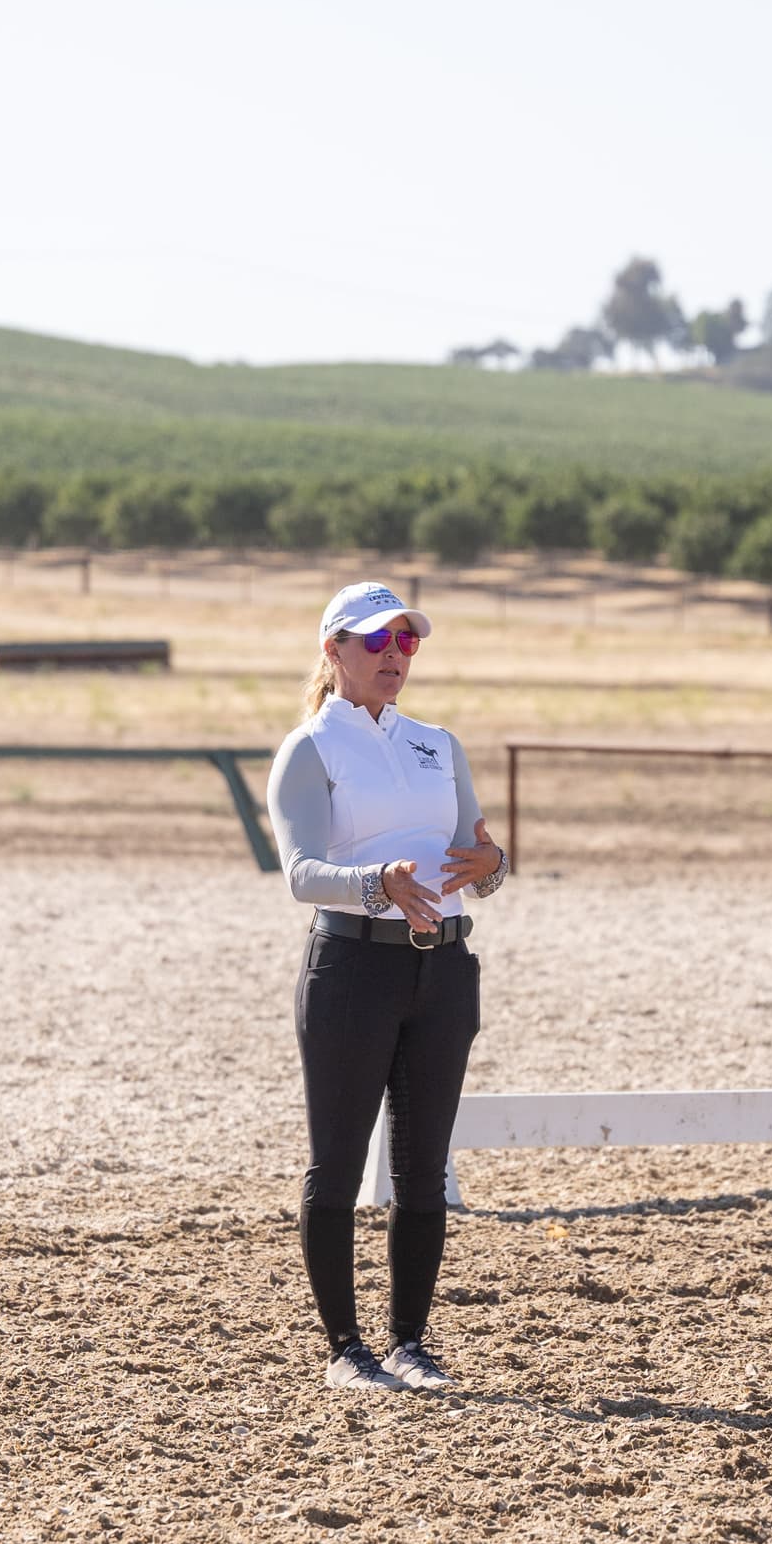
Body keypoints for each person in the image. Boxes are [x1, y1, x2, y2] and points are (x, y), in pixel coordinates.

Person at [264, 579, 505, 1391]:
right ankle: (344, 1350)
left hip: (443, 968)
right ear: (334, 651)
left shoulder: (438, 742)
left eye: (406, 640)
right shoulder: (311, 747)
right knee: (335, 1166)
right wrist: (376, 883)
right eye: (376, 641)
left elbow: (480, 857)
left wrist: (494, 864)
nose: (395, 654)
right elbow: (301, 875)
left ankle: (410, 1343)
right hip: (352, 967)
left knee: (423, 1166)